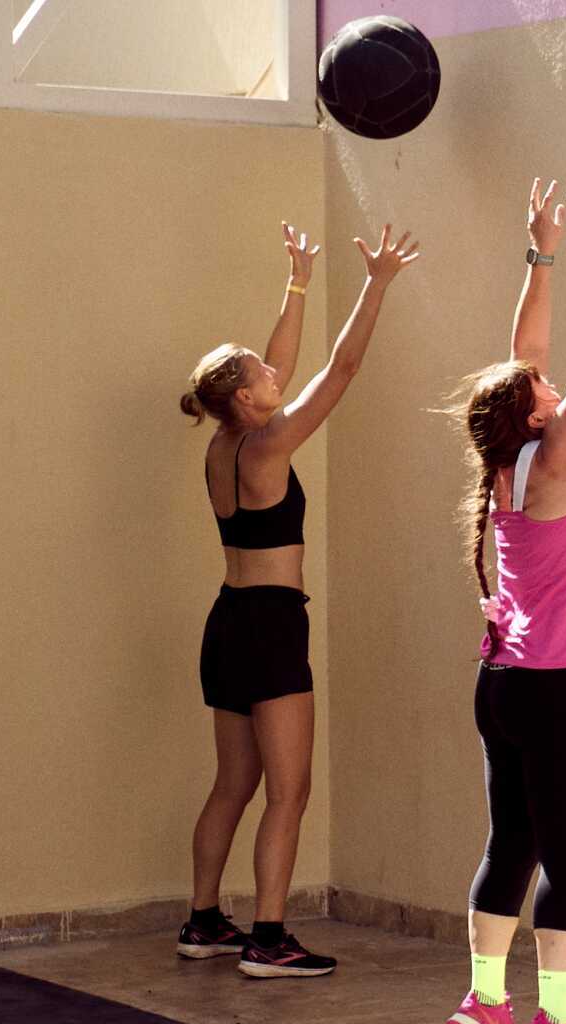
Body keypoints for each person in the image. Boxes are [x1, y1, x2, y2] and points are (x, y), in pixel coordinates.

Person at [178, 221, 420, 978]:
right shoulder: (270, 443)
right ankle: (269, 938)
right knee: (289, 790)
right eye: (262, 372)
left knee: (234, 783)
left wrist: (299, 282)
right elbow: (341, 368)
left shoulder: (225, 441)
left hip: (227, 623)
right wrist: (375, 285)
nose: (274, 369)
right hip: (271, 625)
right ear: (245, 396)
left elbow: (279, 364)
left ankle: (203, 921)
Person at [442, 176, 566, 1024]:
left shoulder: (509, 457)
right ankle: (557, 1022)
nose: (551, 379)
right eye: (544, 386)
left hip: (504, 685)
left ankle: (486, 1002)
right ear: (536, 409)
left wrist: (540, 252)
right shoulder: (561, 452)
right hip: (558, 691)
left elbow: (528, 354)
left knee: (510, 841)